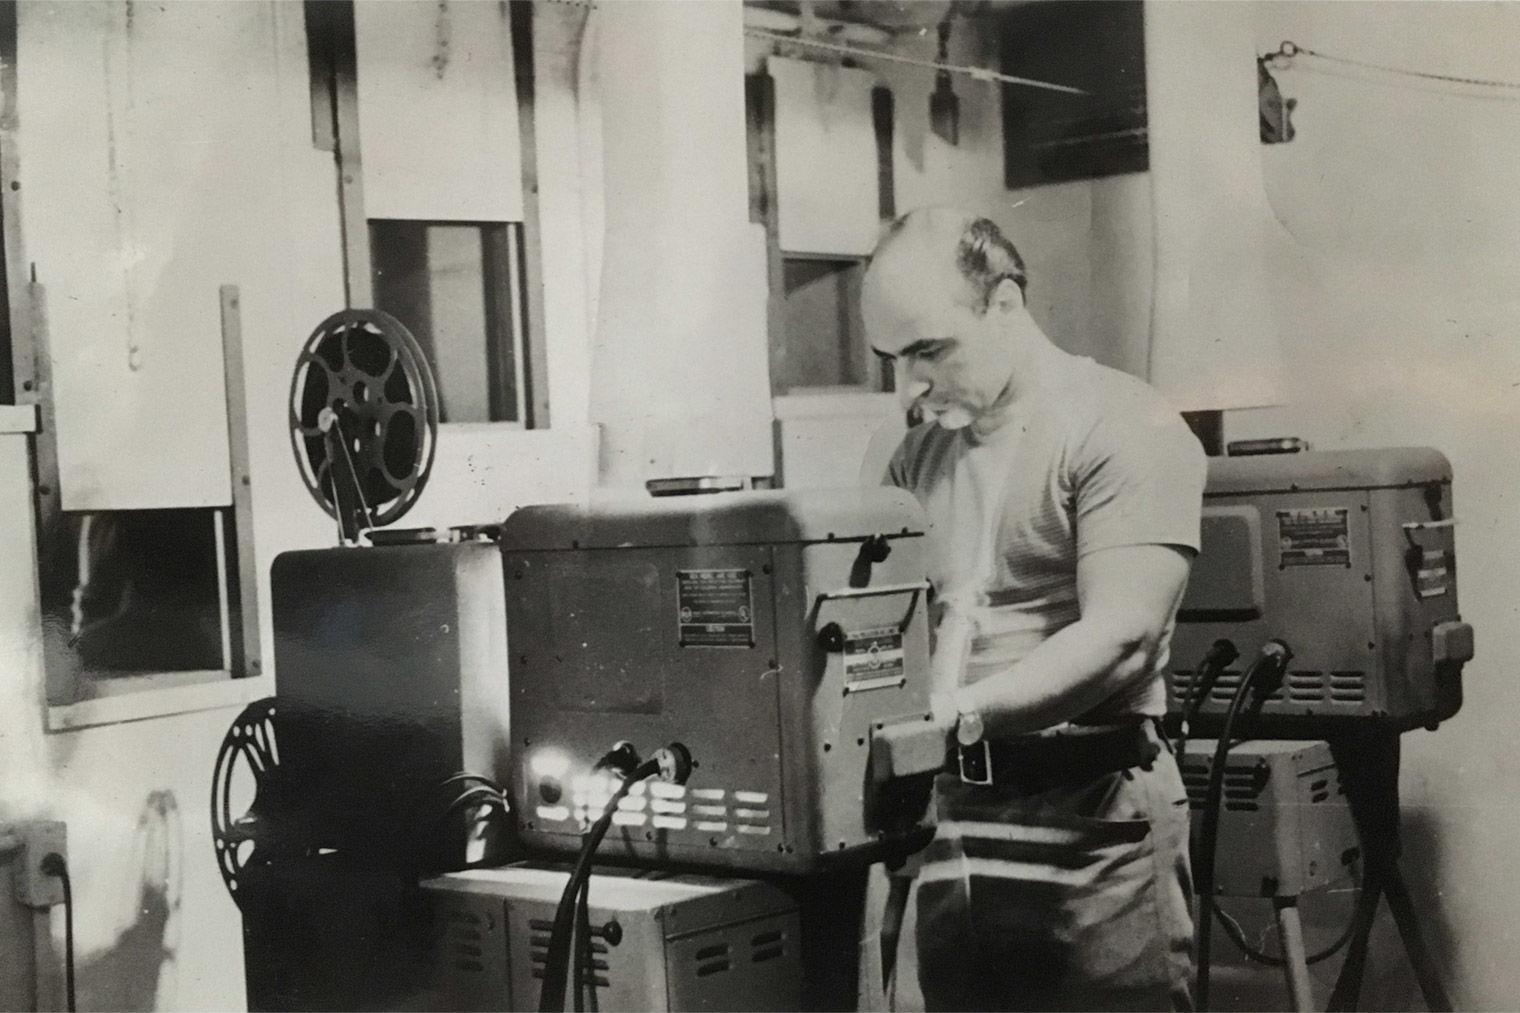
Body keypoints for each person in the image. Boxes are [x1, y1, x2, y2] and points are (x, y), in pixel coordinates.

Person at [861, 208, 1206, 1012]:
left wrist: (951, 717)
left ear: (1005, 303)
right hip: (954, 822)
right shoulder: (917, 456)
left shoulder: (1122, 421)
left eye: (928, 349)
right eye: (892, 360)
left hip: (1089, 821)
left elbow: (1122, 638)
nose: (908, 387)